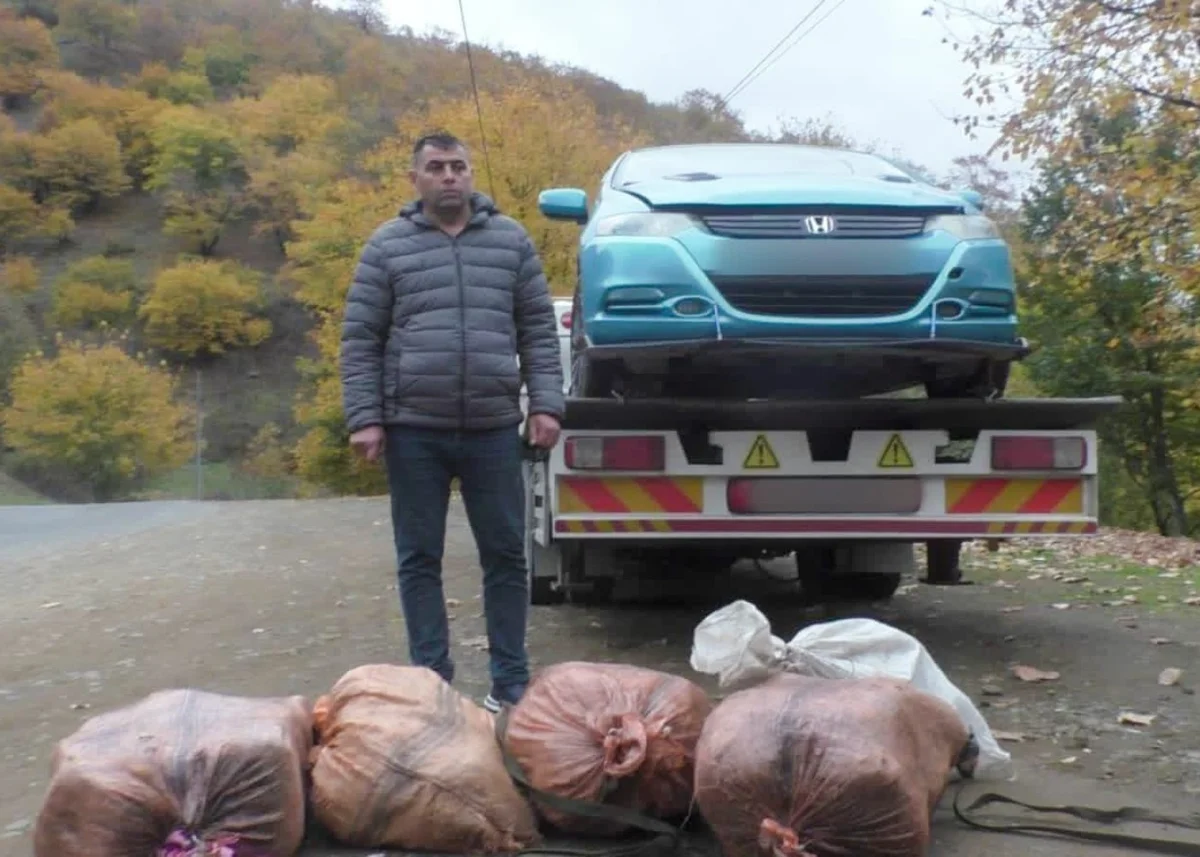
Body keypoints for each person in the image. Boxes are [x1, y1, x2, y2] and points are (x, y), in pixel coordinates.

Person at [339, 131, 565, 713]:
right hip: (413, 427)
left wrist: (545, 403)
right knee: (419, 558)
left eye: (457, 166)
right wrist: (365, 418)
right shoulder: (386, 247)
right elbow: (360, 338)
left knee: (507, 557)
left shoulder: (511, 242)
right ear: (415, 177)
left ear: (470, 175)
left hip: (493, 428)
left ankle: (510, 686)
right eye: (436, 167)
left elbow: (539, 331)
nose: (448, 176)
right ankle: (431, 686)